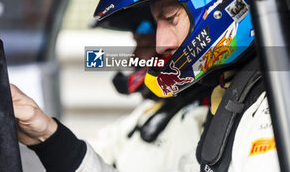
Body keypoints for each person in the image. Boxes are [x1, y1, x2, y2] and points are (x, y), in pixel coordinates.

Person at [0, 0, 290, 171]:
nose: (159, 44)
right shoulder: (237, 98)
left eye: (169, 18)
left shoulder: (275, 108)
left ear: (223, 1)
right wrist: (46, 134)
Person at [89, 20, 211, 172]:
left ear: (168, 49)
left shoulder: (199, 116)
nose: (132, 57)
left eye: (142, 45)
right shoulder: (151, 108)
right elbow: (100, 145)